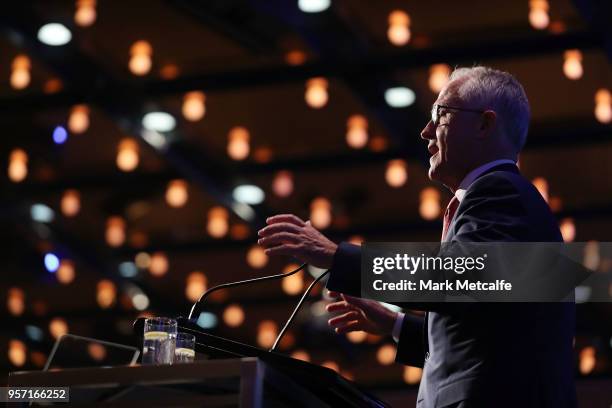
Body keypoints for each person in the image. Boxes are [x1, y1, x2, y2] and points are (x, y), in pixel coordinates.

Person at [257, 66, 576, 408]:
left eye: (440, 114)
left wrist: (337, 257)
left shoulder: (502, 193)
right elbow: (485, 330)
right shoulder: (501, 197)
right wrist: (394, 324)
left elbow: (456, 277)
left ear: (485, 123)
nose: (425, 131)